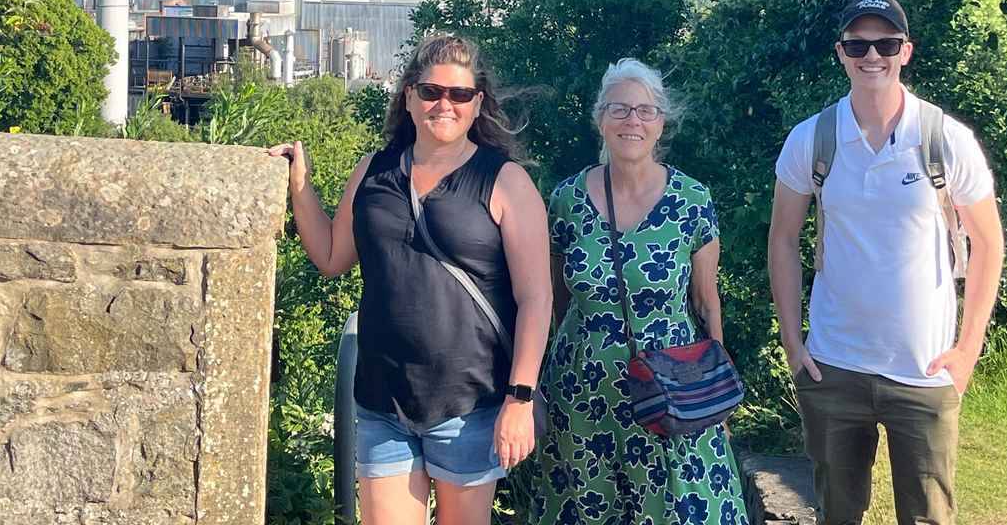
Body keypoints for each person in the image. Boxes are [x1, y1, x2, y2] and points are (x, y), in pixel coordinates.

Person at [268, 34, 551, 525]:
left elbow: (536, 298)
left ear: (477, 103)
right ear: (409, 96)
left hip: (471, 403)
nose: (444, 104)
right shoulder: (374, 171)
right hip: (383, 399)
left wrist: (520, 398)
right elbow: (332, 256)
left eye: (459, 94)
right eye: (431, 92)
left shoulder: (505, 181)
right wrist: (300, 186)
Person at [769, 0, 1005, 525]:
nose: (872, 56)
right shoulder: (812, 139)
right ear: (841, 53)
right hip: (833, 365)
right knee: (837, 513)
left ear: (906, 51)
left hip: (924, 370)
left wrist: (968, 350)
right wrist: (792, 341)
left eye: (886, 44)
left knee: (926, 518)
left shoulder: (945, 139)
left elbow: (988, 243)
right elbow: (783, 238)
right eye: (858, 45)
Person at [532, 58, 749, 525]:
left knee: (678, 507)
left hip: (671, 388)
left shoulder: (692, 200)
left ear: (661, 123)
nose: (633, 120)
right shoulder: (566, 200)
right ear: (600, 119)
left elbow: (706, 302)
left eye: (645, 110)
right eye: (619, 109)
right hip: (583, 393)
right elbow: (555, 299)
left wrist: (716, 397)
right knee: (590, 508)